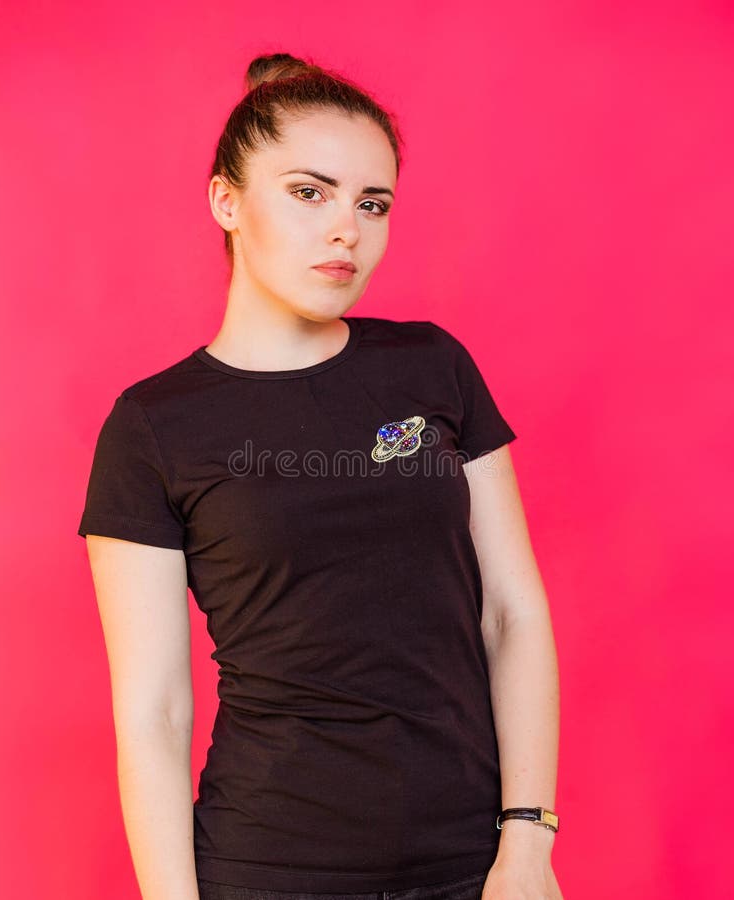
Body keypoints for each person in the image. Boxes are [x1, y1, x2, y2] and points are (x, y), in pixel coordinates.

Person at [77, 52, 564, 900]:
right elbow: (152, 712)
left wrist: (527, 842)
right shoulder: (153, 426)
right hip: (266, 867)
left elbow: (510, 613)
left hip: (472, 863)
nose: (347, 228)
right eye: (310, 192)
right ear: (226, 200)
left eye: (371, 203)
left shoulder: (432, 367)